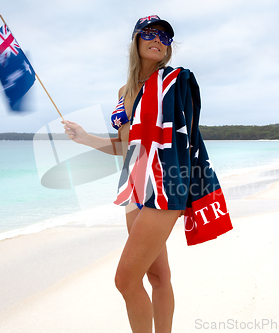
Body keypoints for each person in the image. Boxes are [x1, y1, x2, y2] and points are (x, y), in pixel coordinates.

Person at [63, 15, 232, 333]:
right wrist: (85, 137)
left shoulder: (173, 82)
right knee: (158, 277)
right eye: (150, 33)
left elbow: (182, 134)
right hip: (133, 187)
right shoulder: (125, 91)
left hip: (165, 184)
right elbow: (128, 148)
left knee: (125, 280)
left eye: (165, 37)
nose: (158, 39)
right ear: (136, 41)